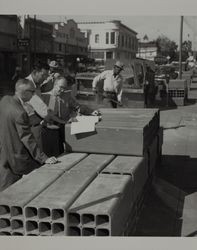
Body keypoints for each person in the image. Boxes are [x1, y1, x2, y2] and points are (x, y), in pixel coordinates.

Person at [0, 79, 58, 192]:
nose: (34, 94)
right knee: (13, 188)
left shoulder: (5, 100)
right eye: (32, 92)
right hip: (15, 156)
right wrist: (43, 158)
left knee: (4, 184)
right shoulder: (20, 112)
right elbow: (27, 138)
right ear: (25, 92)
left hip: (3, 150)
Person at [41, 76, 100, 156]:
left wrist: (91, 111)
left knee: (64, 153)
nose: (62, 90)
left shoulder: (66, 96)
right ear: (55, 85)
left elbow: (78, 106)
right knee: (54, 154)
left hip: (64, 128)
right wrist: (66, 121)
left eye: (64, 88)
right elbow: (50, 117)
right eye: (60, 87)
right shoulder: (45, 97)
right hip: (50, 131)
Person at [25, 61, 64, 149]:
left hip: (37, 120)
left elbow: (42, 98)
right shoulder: (28, 85)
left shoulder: (37, 83)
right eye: (43, 75)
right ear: (35, 72)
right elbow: (43, 110)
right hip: (30, 123)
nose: (45, 78)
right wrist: (61, 121)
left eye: (47, 75)